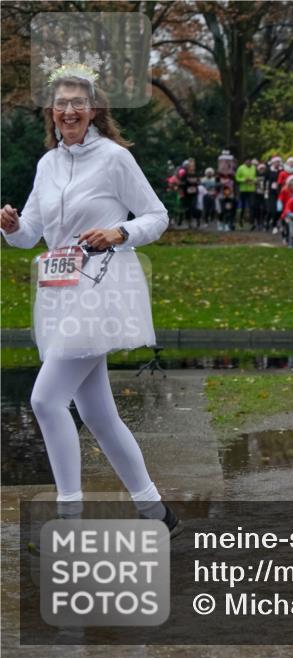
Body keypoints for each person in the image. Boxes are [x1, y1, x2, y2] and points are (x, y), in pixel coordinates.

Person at [0, 64, 177, 531]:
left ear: (94, 109)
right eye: (61, 102)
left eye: (78, 102)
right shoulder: (48, 164)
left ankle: (70, 515)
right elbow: (35, 234)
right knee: (98, 415)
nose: (69, 110)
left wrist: (120, 231)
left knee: (45, 401)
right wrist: (15, 227)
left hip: (101, 290)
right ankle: (155, 511)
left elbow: (157, 216)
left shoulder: (114, 158)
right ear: (51, 111)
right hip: (58, 294)